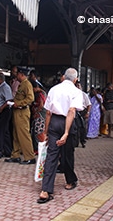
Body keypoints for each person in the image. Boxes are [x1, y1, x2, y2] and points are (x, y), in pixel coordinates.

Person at [36, 68, 84, 204]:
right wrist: (66, 132)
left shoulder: (53, 89)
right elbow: (71, 111)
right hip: (67, 123)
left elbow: (48, 113)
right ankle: (70, 181)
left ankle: (45, 190)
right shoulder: (76, 91)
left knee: (52, 155)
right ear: (75, 79)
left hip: (54, 123)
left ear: (63, 77)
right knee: (67, 154)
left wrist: (46, 132)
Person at [4, 67, 36, 164]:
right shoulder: (22, 84)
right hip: (17, 111)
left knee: (24, 134)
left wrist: (19, 103)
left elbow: (30, 98)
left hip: (22, 112)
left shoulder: (27, 84)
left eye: (17, 74)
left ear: (22, 74)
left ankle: (29, 157)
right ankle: (15, 155)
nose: (16, 75)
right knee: (16, 134)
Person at [0, 72, 13, 159]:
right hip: (0, 110)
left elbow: (9, 100)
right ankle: (8, 151)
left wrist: (1, 108)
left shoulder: (5, 87)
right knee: (5, 132)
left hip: (4, 111)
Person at [29, 79, 47, 153]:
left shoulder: (40, 94)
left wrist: (36, 112)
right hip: (39, 116)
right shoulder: (41, 93)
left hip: (40, 116)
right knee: (37, 132)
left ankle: (41, 149)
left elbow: (41, 105)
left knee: (39, 132)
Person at [75, 81, 91, 148]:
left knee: (83, 127)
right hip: (75, 112)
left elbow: (89, 105)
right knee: (75, 128)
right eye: (76, 86)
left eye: (79, 86)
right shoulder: (73, 94)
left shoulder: (84, 95)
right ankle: (76, 142)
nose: (78, 87)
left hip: (82, 112)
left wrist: (87, 113)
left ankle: (83, 141)